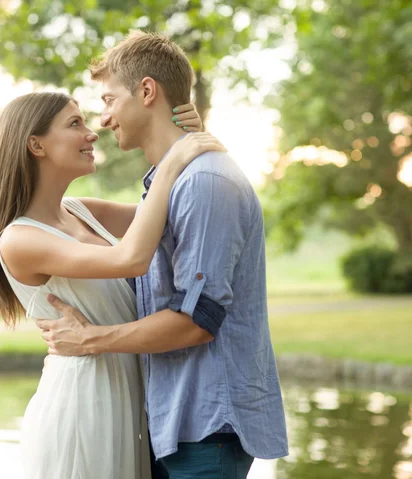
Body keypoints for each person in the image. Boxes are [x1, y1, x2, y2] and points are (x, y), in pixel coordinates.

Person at [35, 31, 289, 479]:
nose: (104, 118)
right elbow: (69, 216)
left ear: (146, 91)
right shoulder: (170, 185)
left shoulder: (205, 182)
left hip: (207, 431)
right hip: (174, 424)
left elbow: (196, 321)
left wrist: (88, 340)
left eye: (109, 100)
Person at [0, 91, 226, 479]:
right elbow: (131, 258)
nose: (92, 134)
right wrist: (173, 161)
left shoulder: (84, 211)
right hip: (81, 404)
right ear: (35, 144)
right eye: (75, 124)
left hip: (126, 398)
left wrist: (187, 141)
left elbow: (180, 209)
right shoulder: (18, 240)